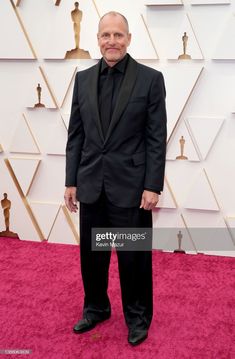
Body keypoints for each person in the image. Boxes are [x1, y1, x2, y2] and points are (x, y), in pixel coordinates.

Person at [64, 11, 167, 346]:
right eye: (105, 35)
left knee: (132, 257)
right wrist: (70, 181)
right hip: (92, 183)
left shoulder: (150, 79)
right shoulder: (82, 79)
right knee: (92, 255)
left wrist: (153, 184)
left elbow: (155, 137)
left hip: (132, 188)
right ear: (97, 39)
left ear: (129, 39)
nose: (112, 41)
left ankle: (138, 317)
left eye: (118, 35)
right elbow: (76, 135)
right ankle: (96, 308)